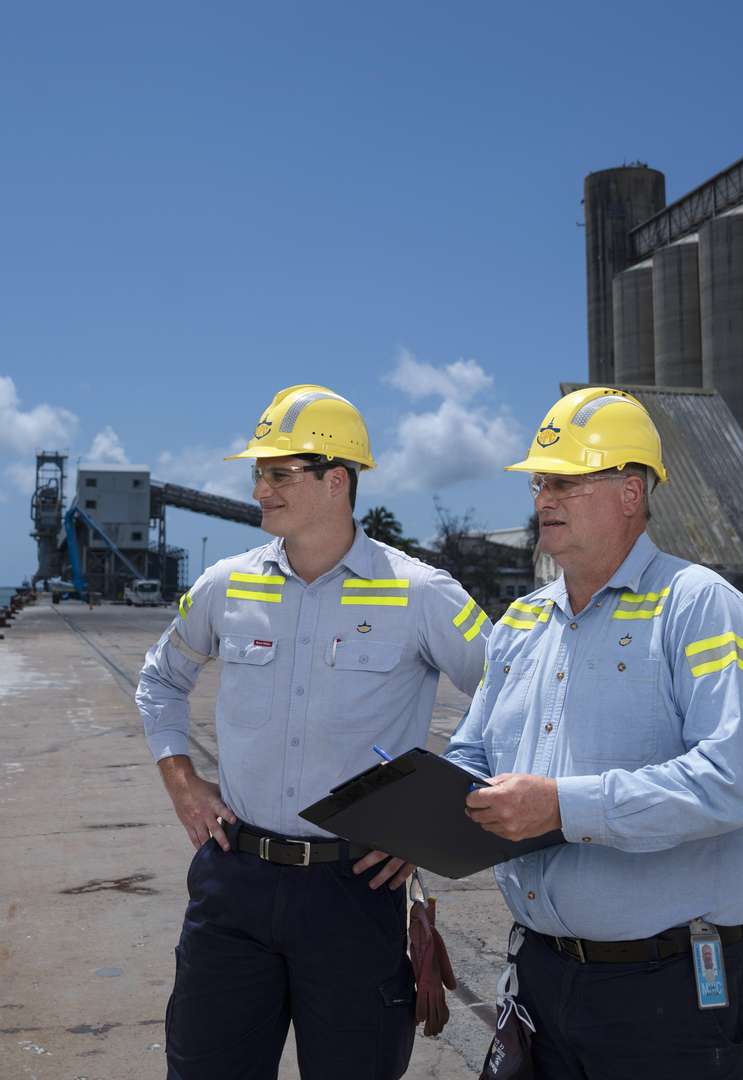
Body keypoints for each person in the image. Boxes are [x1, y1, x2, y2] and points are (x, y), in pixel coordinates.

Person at [136, 383, 491, 1079]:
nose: (261, 489)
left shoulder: (421, 593)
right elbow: (160, 680)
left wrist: (429, 825)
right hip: (233, 883)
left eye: (279, 473)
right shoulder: (226, 585)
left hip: (353, 892)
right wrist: (181, 780)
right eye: (258, 474)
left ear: (336, 482)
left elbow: (511, 701)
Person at [445, 386, 743, 1079]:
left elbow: (732, 781)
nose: (545, 498)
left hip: (668, 991)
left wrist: (564, 805)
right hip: (539, 975)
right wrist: (431, 801)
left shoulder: (702, 608)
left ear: (631, 492)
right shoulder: (522, 623)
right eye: (541, 482)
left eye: (566, 481)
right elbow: (472, 753)